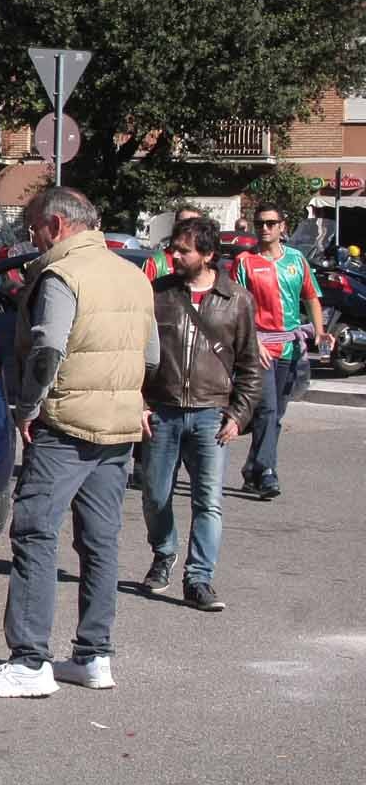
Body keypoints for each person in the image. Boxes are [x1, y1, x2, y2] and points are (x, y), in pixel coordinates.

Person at [0, 188, 157, 699]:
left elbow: (48, 347)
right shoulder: (133, 275)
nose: (30, 235)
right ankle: (94, 654)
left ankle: (29, 660)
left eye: (32, 225)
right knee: (100, 542)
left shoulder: (60, 275)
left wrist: (27, 406)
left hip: (66, 422)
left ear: (55, 224)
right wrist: (130, 397)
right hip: (118, 427)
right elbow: (152, 355)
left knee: (34, 533)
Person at [139, 216, 263, 613]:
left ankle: (199, 579)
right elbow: (138, 353)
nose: (174, 255)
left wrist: (238, 416)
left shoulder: (237, 299)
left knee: (208, 501)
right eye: (174, 247)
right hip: (163, 410)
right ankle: (164, 553)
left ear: (208, 255)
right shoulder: (158, 293)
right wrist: (141, 403)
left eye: (183, 250)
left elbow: (249, 365)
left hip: (211, 414)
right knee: (155, 495)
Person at [229, 203, 332, 499]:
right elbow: (237, 307)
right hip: (259, 346)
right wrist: (253, 342)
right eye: (260, 223)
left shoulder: (297, 260)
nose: (265, 228)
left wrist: (320, 330)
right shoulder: (245, 262)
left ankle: (252, 470)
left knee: (275, 415)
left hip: (289, 345)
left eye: (271, 223)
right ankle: (267, 471)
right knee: (267, 408)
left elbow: (311, 297)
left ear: (282, 226)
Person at [144, 205, 205, 281]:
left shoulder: (207, 262)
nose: (187, 228)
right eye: (183, 223)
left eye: (194, 224)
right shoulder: (156, 262)